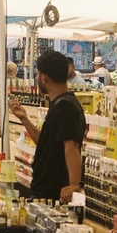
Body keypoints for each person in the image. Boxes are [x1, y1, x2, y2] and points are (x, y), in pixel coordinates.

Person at [9, 51, 86, 203]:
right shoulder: (59, 104)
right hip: (44, 191)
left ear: (44, 77)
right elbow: (46, 143)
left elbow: (71, 145)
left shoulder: (65, 106)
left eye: (37, 74)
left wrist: (73, 185)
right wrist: (24, 118)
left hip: (54, 194)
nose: (37, 78)